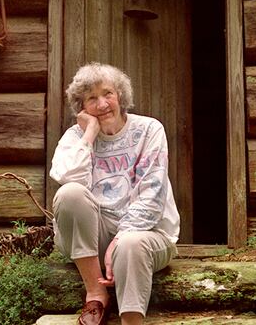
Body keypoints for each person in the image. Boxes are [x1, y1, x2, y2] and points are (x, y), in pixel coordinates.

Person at [50, 62, 180, 325]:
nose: (102, 104)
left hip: (147, 234)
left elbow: (152, 194)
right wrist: (89, 135)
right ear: (82, 107)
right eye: (91, 98)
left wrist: (121, 239)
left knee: (131, 244)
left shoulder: (149, 129)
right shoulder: (75, 136)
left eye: (107, 93)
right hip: (91, 240)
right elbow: (66, 179)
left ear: (120, 94)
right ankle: (95, 294)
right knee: (71, 193)